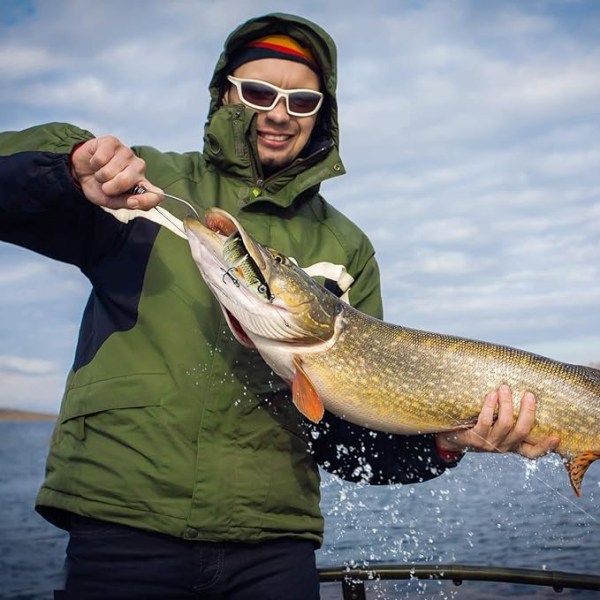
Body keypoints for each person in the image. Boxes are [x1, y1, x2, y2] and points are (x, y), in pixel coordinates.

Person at [0, 12, 559, 600]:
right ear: (225, 94)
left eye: (302, 100)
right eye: (260, 92)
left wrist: (446, 442)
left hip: (273, 543)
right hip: (123, 525)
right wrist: (66, 168)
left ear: (323, 113)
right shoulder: (146, 184)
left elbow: (353, 437)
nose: (278, 113)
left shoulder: (346, 248)